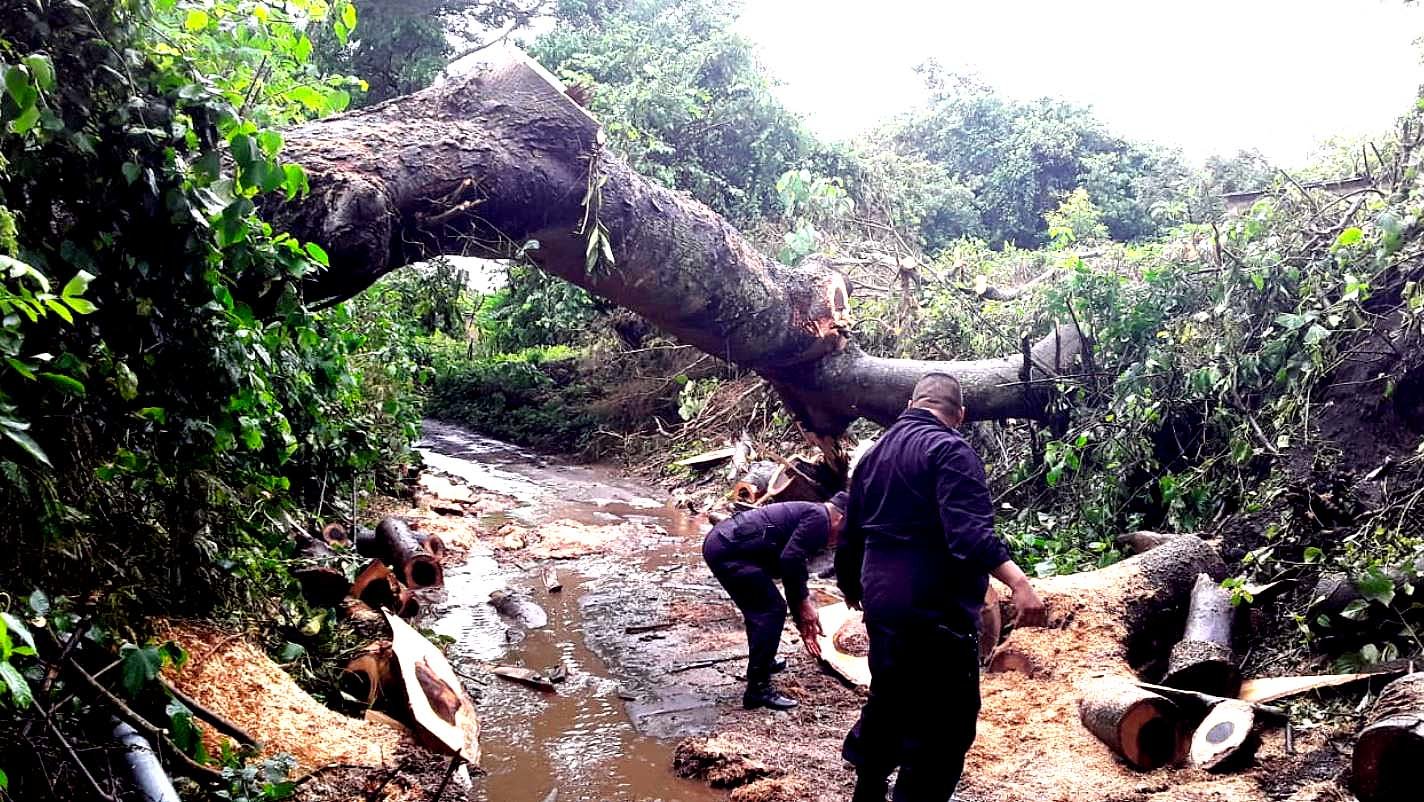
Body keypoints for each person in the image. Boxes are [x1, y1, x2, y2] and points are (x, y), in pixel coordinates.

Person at [836, 372, 1047, 802]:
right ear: (960, 415)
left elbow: (850, 531)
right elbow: (968, 533)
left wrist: (850, 584)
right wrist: (1018, 582)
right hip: (932, 606)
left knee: (891, 695)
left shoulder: (873, 455)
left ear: (912, 404)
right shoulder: (950, 449)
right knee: (944, 724)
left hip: (882, 597)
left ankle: (869, 790)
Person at [702, 492, 849, 710]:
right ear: (841, 518)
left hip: (724, 543)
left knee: (763, 609)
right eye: (843, 532)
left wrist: (801, 615)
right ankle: (758, 689)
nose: (838, 539)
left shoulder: (814, 512)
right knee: (770, 611)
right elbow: (791, 560)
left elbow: (791, 567)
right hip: (728, 551)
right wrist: (803, 605)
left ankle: (763, 662)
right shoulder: (820, 519)